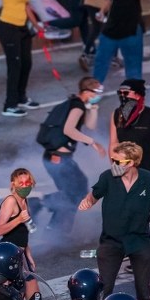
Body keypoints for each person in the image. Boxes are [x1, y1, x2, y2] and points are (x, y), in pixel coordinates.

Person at [77, 141, 150, 300]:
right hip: (111, 241)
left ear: (131, 163)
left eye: (118, 162)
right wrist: (88, 201)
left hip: (139, 240)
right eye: (112, 160)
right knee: (104, 289)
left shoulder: (148, 180)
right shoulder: (108, 177)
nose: (113, 164)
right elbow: (94, 195)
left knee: (144, 292)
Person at [39, 77, 106, 233]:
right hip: (58, 159)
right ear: (87, 91)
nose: (99, 95)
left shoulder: (78, 104)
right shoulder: (77, 107)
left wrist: (93, 109)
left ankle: (56, 227)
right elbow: (68, 130)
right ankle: (42, 204)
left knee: (77, 189)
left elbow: (90, 125)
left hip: (59, 158)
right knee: (75, 192)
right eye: (97, 92)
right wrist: (93, 143)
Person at [0, 0, 42, 117]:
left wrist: (37, 25)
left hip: (22, 27)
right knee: (14, 66)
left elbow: (26, 6)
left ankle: (21, 96)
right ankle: (9, 105)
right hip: (8, 26)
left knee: (26, 63)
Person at [91, 0, 147, 86]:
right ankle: (93, 93)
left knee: (133, 66)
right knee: (101, 61)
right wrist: (101, 11)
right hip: (111, 28)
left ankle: (134, 97)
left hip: (131, 28)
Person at [109, 78, 150, 176]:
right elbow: (113, 144)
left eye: (126, 93)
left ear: (137, 95)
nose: (122, 96)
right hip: (125, 171)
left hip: (147, 171)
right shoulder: (116, 114)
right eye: (120, 93)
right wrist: (115, 167)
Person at [0, 168, 37, 272]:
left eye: (27, 182)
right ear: (13, 185)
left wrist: (28, 255)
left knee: (32, 284)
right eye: (21, 183)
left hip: (20, 253)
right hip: (9, 253)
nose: (25, 186)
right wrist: (18, 219)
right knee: (27, 285)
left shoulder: (24, 200)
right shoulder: (11, 201)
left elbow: (23, 232)